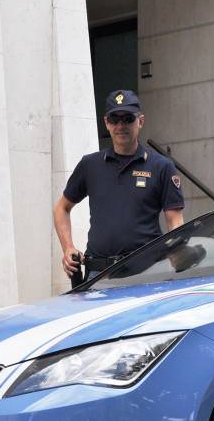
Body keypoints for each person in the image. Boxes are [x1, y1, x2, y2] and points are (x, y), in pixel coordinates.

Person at [53, 89, 185, 282]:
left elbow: (175, 223)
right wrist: (68, 248)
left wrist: (178, 253)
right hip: (98, 275)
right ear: (106, 123)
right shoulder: (90, 165)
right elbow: (61, 208)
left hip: (146, 273)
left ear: (140, 121)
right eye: (115, 119)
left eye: (128, 118)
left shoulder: (161, 167)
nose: (121, 125)